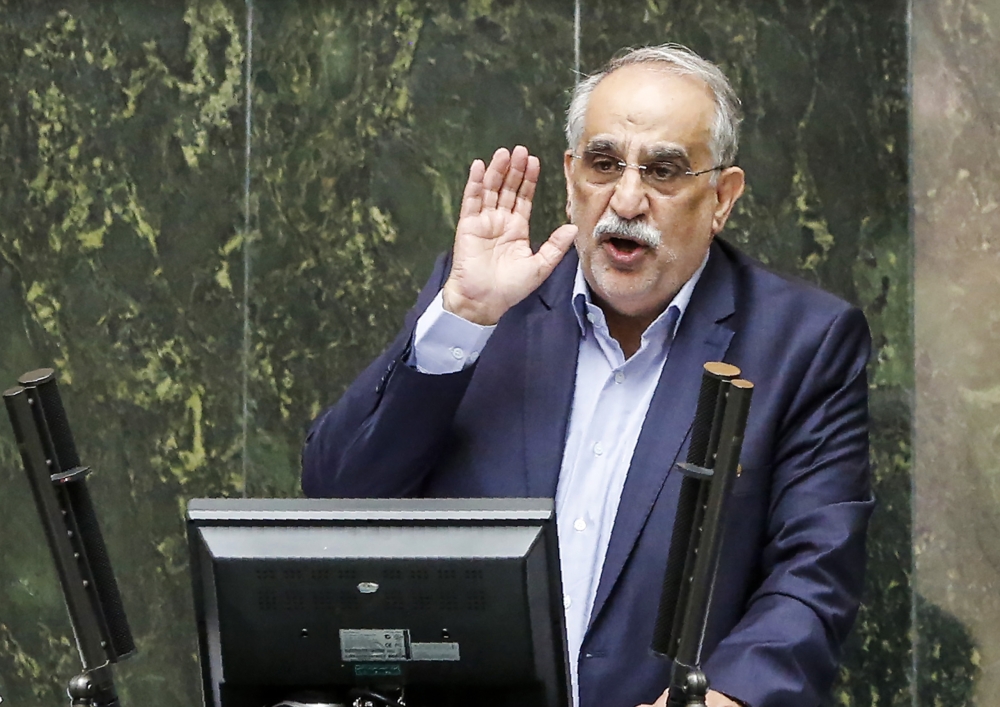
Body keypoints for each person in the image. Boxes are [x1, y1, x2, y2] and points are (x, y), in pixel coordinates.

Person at [302, 44, 873, 707]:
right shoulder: (491, 306)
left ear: (720, 198)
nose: (625, 199)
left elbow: (813, 580)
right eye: (604, 165)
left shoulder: (803, 343)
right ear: (572, 177)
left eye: (664, 171)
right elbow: (337, 493)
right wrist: (463, 317)